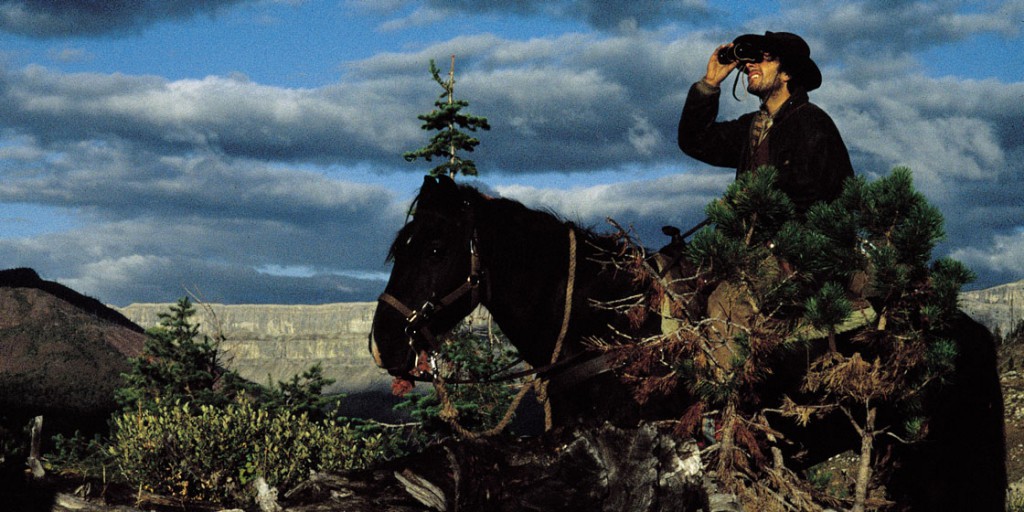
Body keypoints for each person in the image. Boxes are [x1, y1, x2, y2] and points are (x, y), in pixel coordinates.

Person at [678, 31, 854, 214]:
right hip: (750, 232)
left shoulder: (813, 123)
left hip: (796, 233)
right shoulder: (752, 126)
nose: (749, 65)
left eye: (765, 58)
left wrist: (755, 203)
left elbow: (834, 199)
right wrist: (710, 84)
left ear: (787, 73)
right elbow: (695, 141)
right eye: (752, 59)